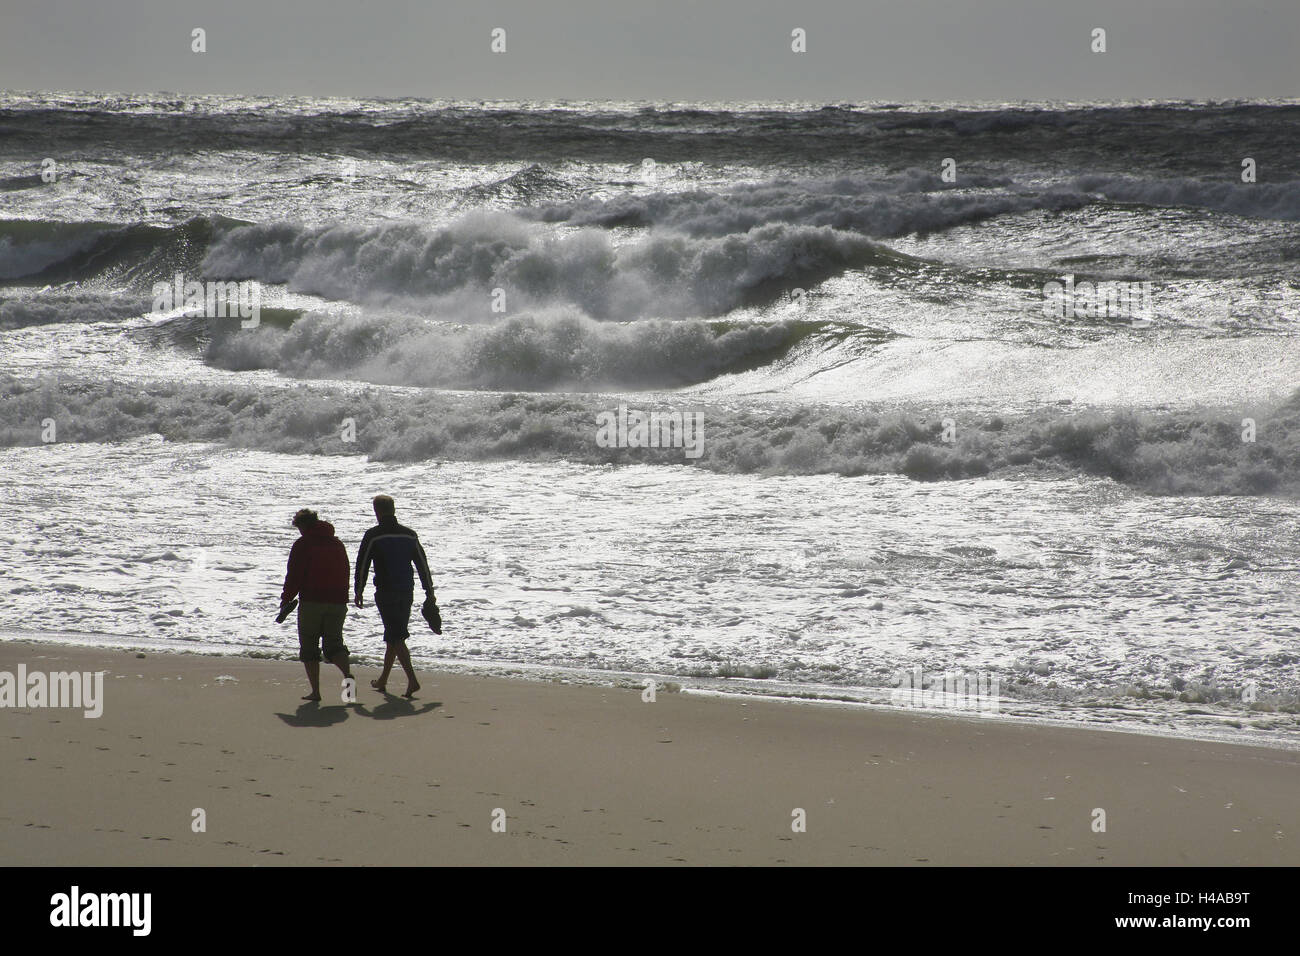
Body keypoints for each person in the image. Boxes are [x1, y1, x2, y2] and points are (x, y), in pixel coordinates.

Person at [354, 494, 433, 698]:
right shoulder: (409, 534)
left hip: (387, 591)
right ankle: (382, 681)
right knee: (394, 635)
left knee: (396, 636)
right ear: (394, 509)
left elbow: (362, 564)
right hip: (407, 591)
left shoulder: (374, 535)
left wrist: (358, 589)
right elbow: (423, 566)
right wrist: (429, 592)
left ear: (377, 511)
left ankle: (413, 681)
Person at [281, 508, 355, 702]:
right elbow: (346, 571)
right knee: (334, 645)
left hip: (312, 601)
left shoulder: (303, 544)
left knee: (309, 647)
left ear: (303, 525)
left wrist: (286, 599)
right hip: (338, 602)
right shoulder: (337, 543)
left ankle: (316, 692)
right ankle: (348, 679)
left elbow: (294, 575)